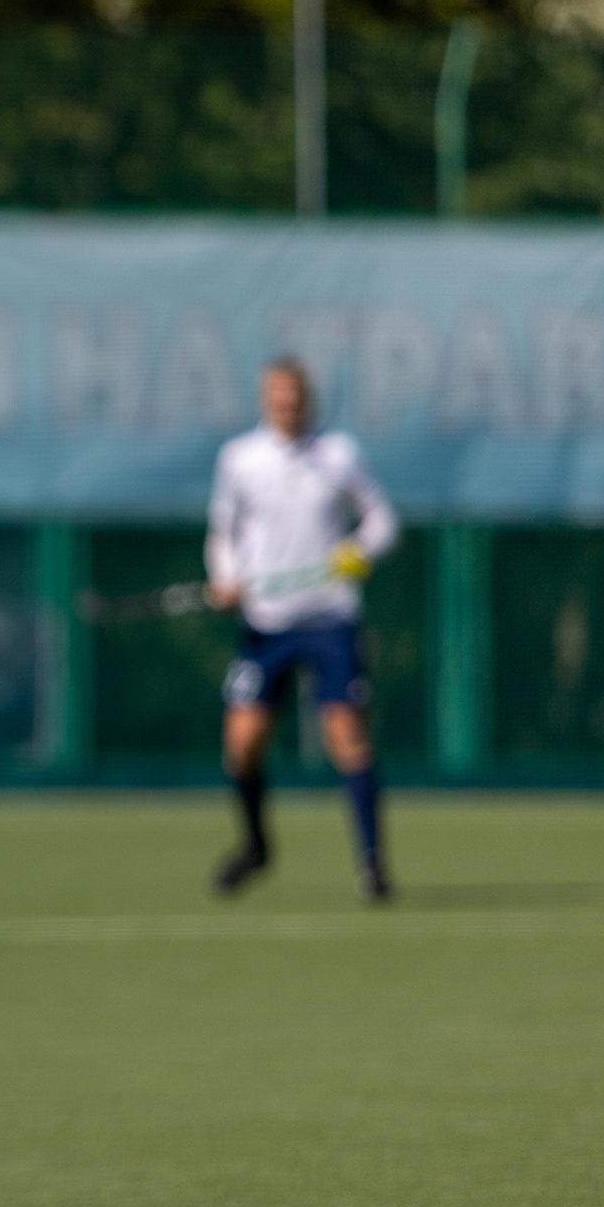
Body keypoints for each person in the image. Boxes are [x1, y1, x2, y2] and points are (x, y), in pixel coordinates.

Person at [206, 357, 397, 900]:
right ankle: (257, 846)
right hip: (266, 621)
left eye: (296, 396)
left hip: (330, 615)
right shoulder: (240, 459)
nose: (288, 405)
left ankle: (372, 864)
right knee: (242, 745)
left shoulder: (338, 454)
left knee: (347, 734)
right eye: (279, 396)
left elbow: (383, 519)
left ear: (309, 399)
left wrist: (360, 552)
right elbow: (224, 530)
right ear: (267, 400)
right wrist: (224, 578)